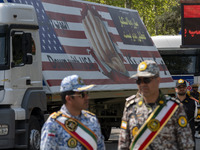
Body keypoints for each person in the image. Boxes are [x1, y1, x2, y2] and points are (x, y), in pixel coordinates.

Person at [118, 60, 194, 150]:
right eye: (139, 81)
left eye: (146, 80)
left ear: (158, 80)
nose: (142, 84)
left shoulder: (174, 108)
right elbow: (123, 145)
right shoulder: (130, 107)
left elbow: (186, 145)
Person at [40, 74, 105, 150]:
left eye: (87, 93)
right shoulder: (54, 124)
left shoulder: (92, 120)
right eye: (82, 95)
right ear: (69, 99)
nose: (87, 97)